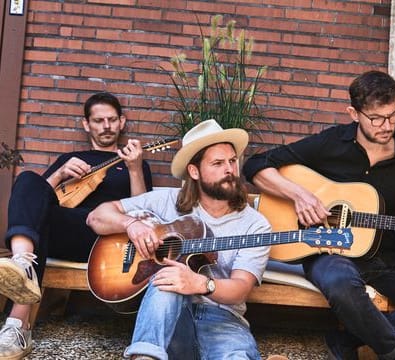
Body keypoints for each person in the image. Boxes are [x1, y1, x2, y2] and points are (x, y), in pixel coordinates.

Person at [242, 71, 395, 360]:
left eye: (392, 115)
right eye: (376, 118)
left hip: (385, 261)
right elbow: (256, 165)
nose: (387, 125)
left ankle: (349, 340)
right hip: (328, 253)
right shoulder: (331, 144)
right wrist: (300, 195)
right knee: (341, 284)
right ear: (354, 113)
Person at [86, 119, 271, 360]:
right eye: (218, 163)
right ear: (194, 171)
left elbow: (239, 290)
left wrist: (199, 284)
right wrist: (132, 225)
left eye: (232, 161)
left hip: (223, 321)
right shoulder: (167, 201)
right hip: (168, 318)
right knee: (168, 278)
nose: (230, 169)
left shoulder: (256, 224)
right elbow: (96, 217)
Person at [0, 92, 153, 359]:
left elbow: (142, 212)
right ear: (86, 125)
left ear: (122, 122)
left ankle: (17, 323)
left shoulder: (135, 163)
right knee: (27, 179)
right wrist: (59, 173)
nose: (106, 126)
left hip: (104, 238)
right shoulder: (70, 158)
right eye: (98, 120)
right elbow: (34, 199)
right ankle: (22, 263)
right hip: (62, 231)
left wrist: (135, 168)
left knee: (41, 225)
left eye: (111, 120)